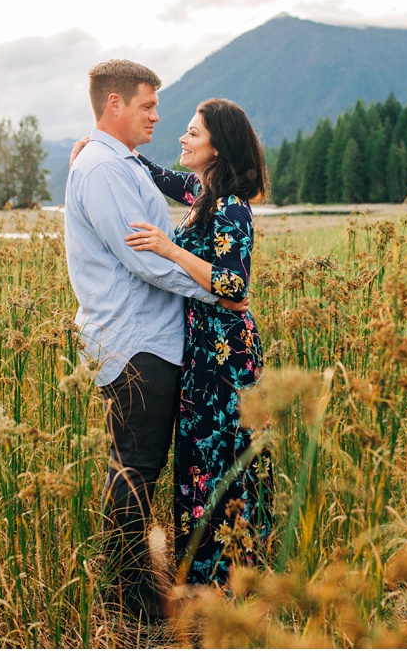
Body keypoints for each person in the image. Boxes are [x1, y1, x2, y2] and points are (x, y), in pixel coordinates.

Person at [63, 60, 245, 621]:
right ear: (114, 104)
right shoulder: (103, 169)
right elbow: (144, 257)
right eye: (147, 105)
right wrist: (217, 290)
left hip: (153, 338)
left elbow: (169, 203)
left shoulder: (122, 164)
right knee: (135, 466)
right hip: (136, 340)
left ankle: (141, 584)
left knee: (138, 465)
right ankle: (126, 596)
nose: (158, 117)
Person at [122, 98, 273, 586]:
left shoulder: (232, 207)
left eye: (192, 133)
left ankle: (231, 574)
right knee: (202, 456)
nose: (183, 139)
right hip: (204, 348)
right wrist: (110, 146)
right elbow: (161, 176)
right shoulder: (205, 193)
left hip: (226, 353)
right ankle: (205, 572)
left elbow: (234, 284)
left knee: (223, 454)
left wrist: (168, 248)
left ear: (217, 145)